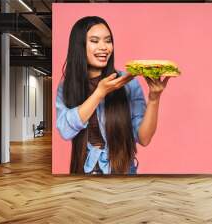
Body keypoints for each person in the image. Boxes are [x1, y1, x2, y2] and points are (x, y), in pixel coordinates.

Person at [56, 16, 170, 174]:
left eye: (108, 41)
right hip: (83, 173)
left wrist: (154, 98)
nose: (104, 47)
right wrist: (99, 92)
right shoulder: (67, 87)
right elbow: (65, 130)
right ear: (79, 46)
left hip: (122, 173)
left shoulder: (127, 82)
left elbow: (144, 138)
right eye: (95, 41)